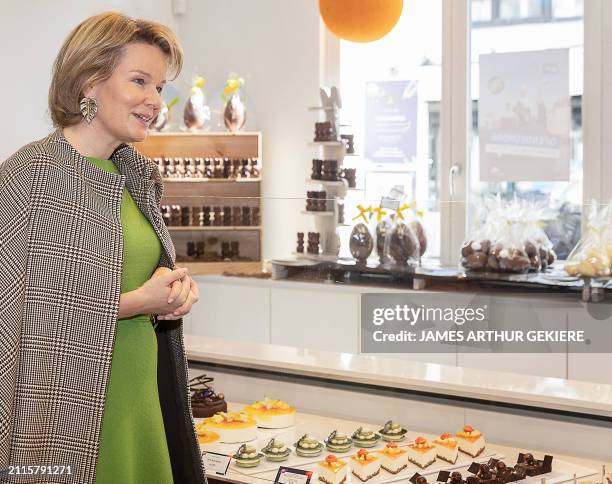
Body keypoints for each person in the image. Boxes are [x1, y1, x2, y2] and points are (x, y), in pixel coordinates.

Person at [0, 12, 206, 484]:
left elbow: (135, 270)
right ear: (90, 81)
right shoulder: (29, 176)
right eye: (140, 81)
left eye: (159, 87)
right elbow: (15, 314)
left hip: (140, 396)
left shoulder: (137, 175)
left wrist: (175, 291)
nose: (154, 101)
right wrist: (136, 303)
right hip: (61, 414)